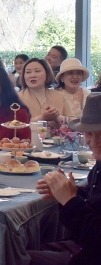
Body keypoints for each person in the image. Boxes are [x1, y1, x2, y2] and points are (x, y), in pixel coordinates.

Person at [30, 94, 101, 265]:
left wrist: (70, 201)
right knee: (11, 250)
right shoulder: (99, 165)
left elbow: (96, 240)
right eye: (88, 133)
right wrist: (70, 191)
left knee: (10, 258)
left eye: (100, 134)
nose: (92, 141)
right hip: (81, 246)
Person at [18, 58, 73, 129]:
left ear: (47, 74)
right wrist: (41, 118)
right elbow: (15, 125)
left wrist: (57, 117)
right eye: (28, 72)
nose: (32, 75)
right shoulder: (18, 98)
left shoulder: (59, 96)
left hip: (56, 136)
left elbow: (74, 123)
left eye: (37, 71)